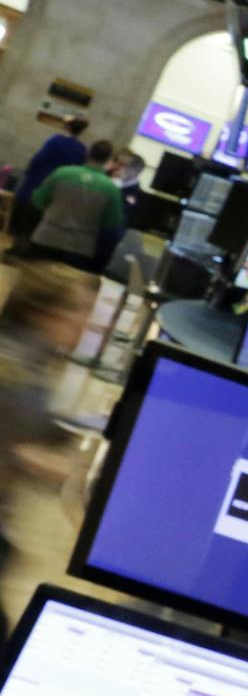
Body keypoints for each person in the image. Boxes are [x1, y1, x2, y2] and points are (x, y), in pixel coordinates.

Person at [0, 261, 93, 644]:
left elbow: (31, 427)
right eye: (80, 310)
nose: (87, 322)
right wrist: (71, 471)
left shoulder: (29, 353)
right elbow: (15, 446)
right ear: (44, 313)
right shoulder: (12, 366)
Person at [27, 140, 126, 273]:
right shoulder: (111, 189)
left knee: (32, 280)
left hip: (47, 236)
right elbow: (111, 223)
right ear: (108, 160)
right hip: (80, 247)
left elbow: (38, 200)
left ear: (88, 153)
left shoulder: (62, 173)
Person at [10, 115, 88, 240]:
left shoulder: (55, 140)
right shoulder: (82, 149)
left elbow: (40, 158)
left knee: (23, 210)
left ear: (67, 127)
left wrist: (29, 172)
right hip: (59, 188)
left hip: (39, 180)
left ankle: (14, 232)